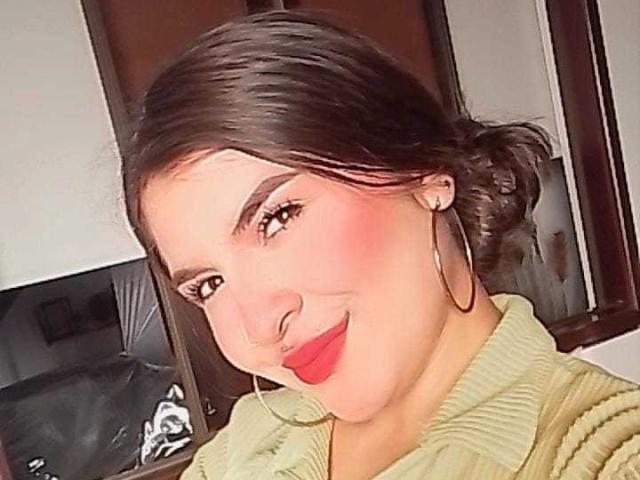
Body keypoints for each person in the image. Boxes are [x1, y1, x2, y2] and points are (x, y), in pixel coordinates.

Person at [122, 10, 640, 480]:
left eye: (277, 218)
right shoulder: (244, 450)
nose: (259, 325)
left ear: (425, 174)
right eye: (208, 284)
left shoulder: (601, 449)